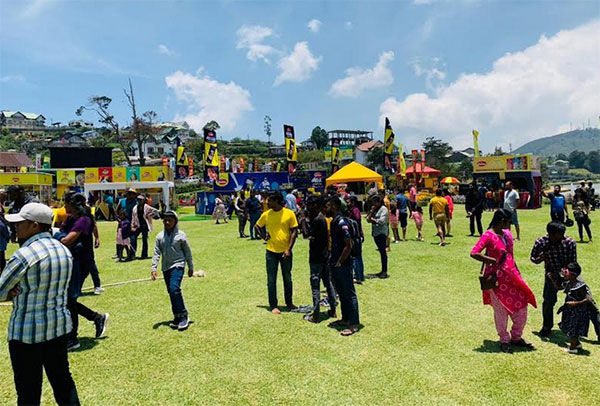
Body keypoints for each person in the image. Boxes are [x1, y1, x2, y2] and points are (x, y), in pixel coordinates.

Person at [0, 203, 80, 405]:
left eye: (20, 223)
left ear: (34, 225)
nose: (15, 227)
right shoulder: (63, 250)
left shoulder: (24, 255)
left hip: (26, 335)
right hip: (57, 328)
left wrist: (10, 293)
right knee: (64, 385)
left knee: (28, 393)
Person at [470, 209, 537, 353]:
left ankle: (516, 337)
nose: (510, 224)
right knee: (501, 311)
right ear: (502, 221)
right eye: (508, 222)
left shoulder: (507, 234)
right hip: (497, 280)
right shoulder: (488, 235)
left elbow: (511, 255)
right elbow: (474, 253)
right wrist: (491, 260)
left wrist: (517, 272)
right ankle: (504, 340)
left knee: (521, 307)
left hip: (512, 277)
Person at [60, 192, 109, 351]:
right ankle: (96, 318)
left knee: (70, 299)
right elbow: (61, 234)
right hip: (72, 263)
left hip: (81, 264)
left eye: (66, 203)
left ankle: (72, 338)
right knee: (68, 300)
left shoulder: (84, 220)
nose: (64, 206)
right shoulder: (71, 219)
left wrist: (58, 237)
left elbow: (66, 240)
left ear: (74, 204)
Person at [530, 221, 577, 338]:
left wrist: (567, 276)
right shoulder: (541, 242)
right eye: (558, 235)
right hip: (551, 274)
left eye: (562, 235)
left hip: (569, 274)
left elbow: (573, 262)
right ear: (550, 234)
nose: (561, 238)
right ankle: (547, 327)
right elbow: (533, 258)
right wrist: (541, 258)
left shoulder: (570, 242)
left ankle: (569, 326)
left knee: (578, 299)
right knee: (548, 301)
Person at [255, 191, 298, 314]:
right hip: (271, 252)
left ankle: (289, 303)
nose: (267, 202)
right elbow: (257, 226)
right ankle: (273, 305)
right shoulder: (266, 214)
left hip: (286, 252)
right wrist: (264, 237)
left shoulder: (289, 213)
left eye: (270, 200)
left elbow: (294, 231)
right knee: (271, 280)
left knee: (287, 278)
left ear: (277, 201)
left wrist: (289, 249)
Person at [151, 210, 194, 331]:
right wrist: (153, 268)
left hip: (178, 265)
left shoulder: (181, 235)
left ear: (175, 221)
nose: (167, 222)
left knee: (174, 289)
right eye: (165, 220)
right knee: (171, 292)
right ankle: (177, 316)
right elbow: (156, 253)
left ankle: (184, 315)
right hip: (166, 267)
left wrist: (190, 267)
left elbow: (187, 252)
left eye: (170, 220)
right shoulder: (160, 236)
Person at [298, 196, 336, 323]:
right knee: (328, 283)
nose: (307, 207)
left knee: (315, 286)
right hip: (324, 256)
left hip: (316, 257)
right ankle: (333, 310)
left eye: (309, 204)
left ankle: (315, 315)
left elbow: (306, 235)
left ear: (315, 205)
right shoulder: (320, 219)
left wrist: (303, 220)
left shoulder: (318, 220)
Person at [326, 197, 360, 336]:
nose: (326, 209)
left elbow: (348, 245)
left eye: (328, 206)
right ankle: (345, 318)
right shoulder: (334, 221)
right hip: (335, 262)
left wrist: (340, 261)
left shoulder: (341, 222)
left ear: (334, 206)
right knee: (341, 293)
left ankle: (354, 324)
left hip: (343, 264)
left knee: (349, 293)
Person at [550, 262, 599, 353]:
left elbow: (588, 299)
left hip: (579, 313)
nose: (563, 274)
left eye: (566, 272)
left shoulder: (580, 286)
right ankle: (577, 344)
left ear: (573, 274)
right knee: (567, 327)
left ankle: (573, 348)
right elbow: (559, 287)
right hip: (571, 312)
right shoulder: (569, 283)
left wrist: (575, 303)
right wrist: (552, 279)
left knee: (574, 330)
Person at [131, 195, 160, 260]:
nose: (139, 201)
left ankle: (144, 255)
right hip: (137, 225)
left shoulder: (146, 207)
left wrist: (150, 215)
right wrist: (132, 226)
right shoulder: (135, 207)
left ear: (143, 200)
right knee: (133, 238)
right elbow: (133, 217)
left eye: (141, 199)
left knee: (144, 240)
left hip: (145, 225)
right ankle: (132, 254)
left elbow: (155, 211)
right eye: (138, 199)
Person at [367, 195, 389, 279]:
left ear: (379, 202)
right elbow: (368, 219)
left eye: (374, 202)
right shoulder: (374, 209)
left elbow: (382, 221)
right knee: (381, 251)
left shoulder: (384, 209)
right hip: (375, 233)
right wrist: (371, 212)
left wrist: (374, 220)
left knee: (383, 252)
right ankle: (382, 270)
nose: (373, 204)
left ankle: (384, 271)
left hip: (381, 233)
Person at [347, 196, 365, 283]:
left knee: (356, 256)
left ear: (353, 202)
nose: (348, 203)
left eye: (349, 201)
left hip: (355, 236)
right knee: (358, 256)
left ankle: (358, 276)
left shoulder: (355, 210)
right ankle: (360, 275)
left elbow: (357, 221)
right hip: (357, 235)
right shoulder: (354, 210)